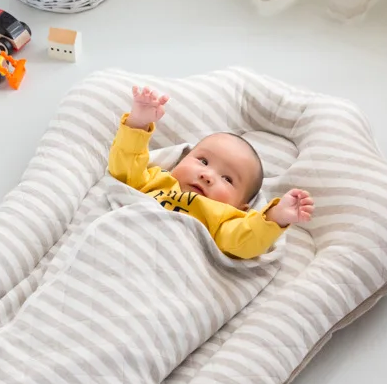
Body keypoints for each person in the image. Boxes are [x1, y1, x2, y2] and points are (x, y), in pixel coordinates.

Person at [108, 86, 314, 259]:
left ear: (241, 208)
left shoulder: (223, 221)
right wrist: (138, 123)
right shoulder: (155, 180)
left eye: (227, 179)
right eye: (203, 161)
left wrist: (276, 216)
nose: (207, 176)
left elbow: (245, 241)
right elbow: (124, 167)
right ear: (181, 160)